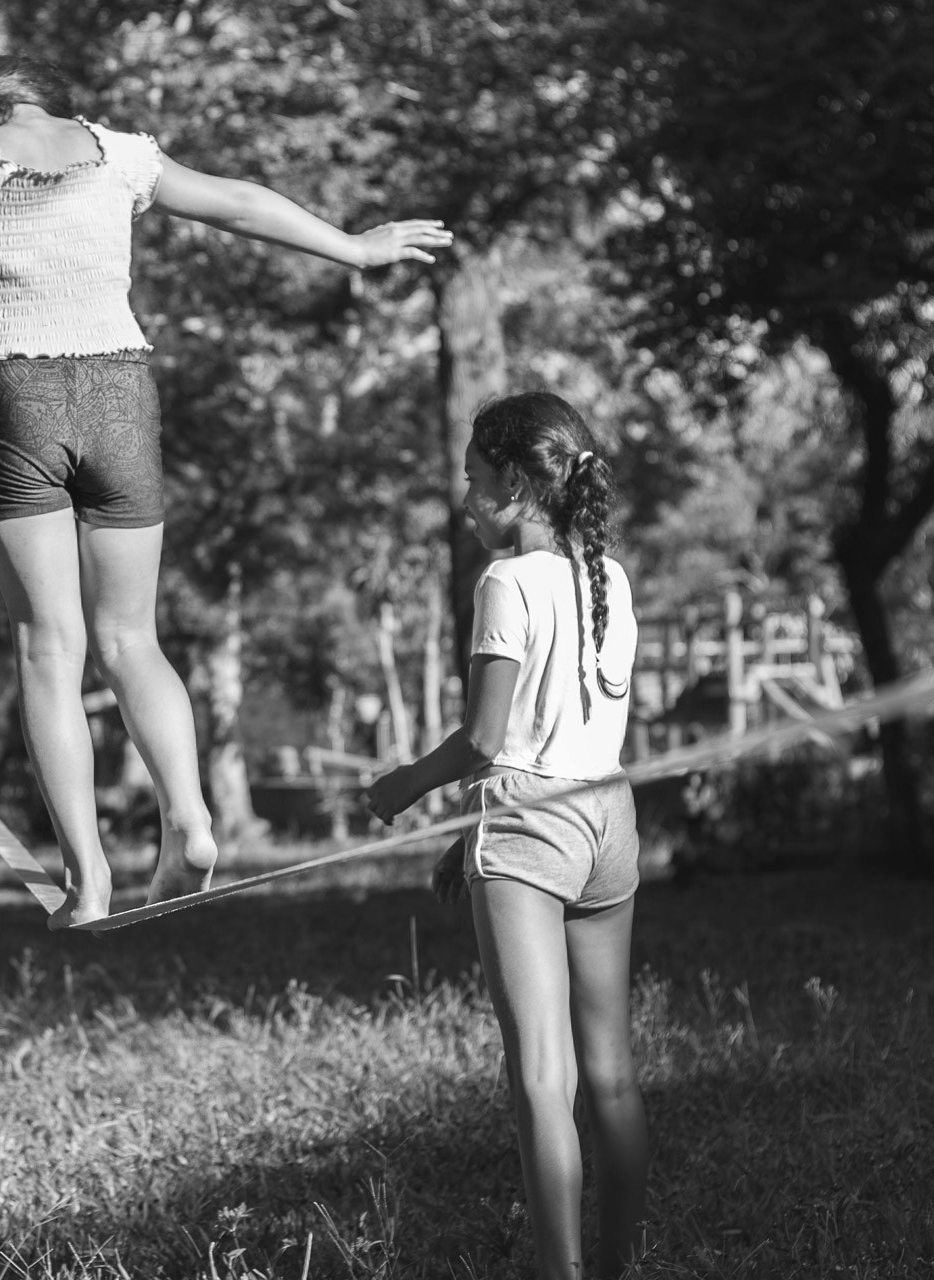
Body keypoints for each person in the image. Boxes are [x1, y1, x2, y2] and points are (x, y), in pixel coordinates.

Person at [0, 56, 452, 926]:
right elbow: (242, 200)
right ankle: (189, 815)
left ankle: (88, 878)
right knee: (131, 637)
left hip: (19, 396)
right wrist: (355, 247)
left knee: (48, 648)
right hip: (120, 397)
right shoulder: (121, 153)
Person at [365, 391, 648, 1280]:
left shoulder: (506, 581)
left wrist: (405, 786)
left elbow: (490, 741)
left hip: (528, 828)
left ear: (522, 484)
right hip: (607, 821)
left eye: (475, 481)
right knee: (609, 1073)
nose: (466, 499)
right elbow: (561, 735)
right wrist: (471, 837)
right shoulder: (606, 574)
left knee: (540, 1079)